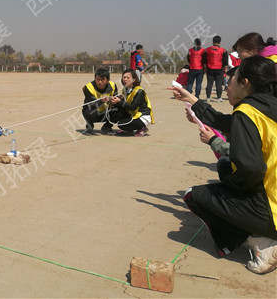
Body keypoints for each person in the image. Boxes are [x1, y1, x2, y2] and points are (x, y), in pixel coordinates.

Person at [170, 56, 277, 274]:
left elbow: (251, 169)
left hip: (271, 207)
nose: (227, 86)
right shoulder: (267, 106)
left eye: (232, 79)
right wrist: (191, 98)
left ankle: (261, 242)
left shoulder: (247, 113)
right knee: (225, 166)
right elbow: (223, 121)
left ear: (245, 83)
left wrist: (231, 186)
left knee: (195, 195)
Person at [108, 69, 154, 136]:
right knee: (114, 111)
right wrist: (113, 100)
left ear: (134, 80)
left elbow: (132, 107)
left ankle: (142, 128)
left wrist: (120, 101)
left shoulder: (139, 91)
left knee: (121, 124)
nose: (125, 79)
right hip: (133, 114)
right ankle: (128, 128)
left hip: (142, 116)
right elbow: (124, 104)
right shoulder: (125, 89)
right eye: (124, 77)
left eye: (128, 77)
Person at [81, 67, 118, 135]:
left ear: (108, 80)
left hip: (106, 112)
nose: (100, 82)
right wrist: (102, 101)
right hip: (93, 113)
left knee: (120, 109)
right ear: (95, 79)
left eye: (102, 80)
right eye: (98, 80)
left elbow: (116, 98)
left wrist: (114, 101)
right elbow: (91, 105)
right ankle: (89, 127)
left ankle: (107, 127)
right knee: (87, 110)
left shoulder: (113, 85)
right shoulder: (88, 87)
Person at [202, 35, 228, 102]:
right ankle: (219, 98)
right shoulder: (223, 50)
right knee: (218, 84)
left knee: (209, 83)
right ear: (220, 42)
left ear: (213, 41)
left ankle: (208, 98)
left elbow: (204, 60)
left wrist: (205, 67)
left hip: (209, 69)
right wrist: (225, 68)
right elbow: (225, 61)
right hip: (219, 70)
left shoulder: (206, 50)